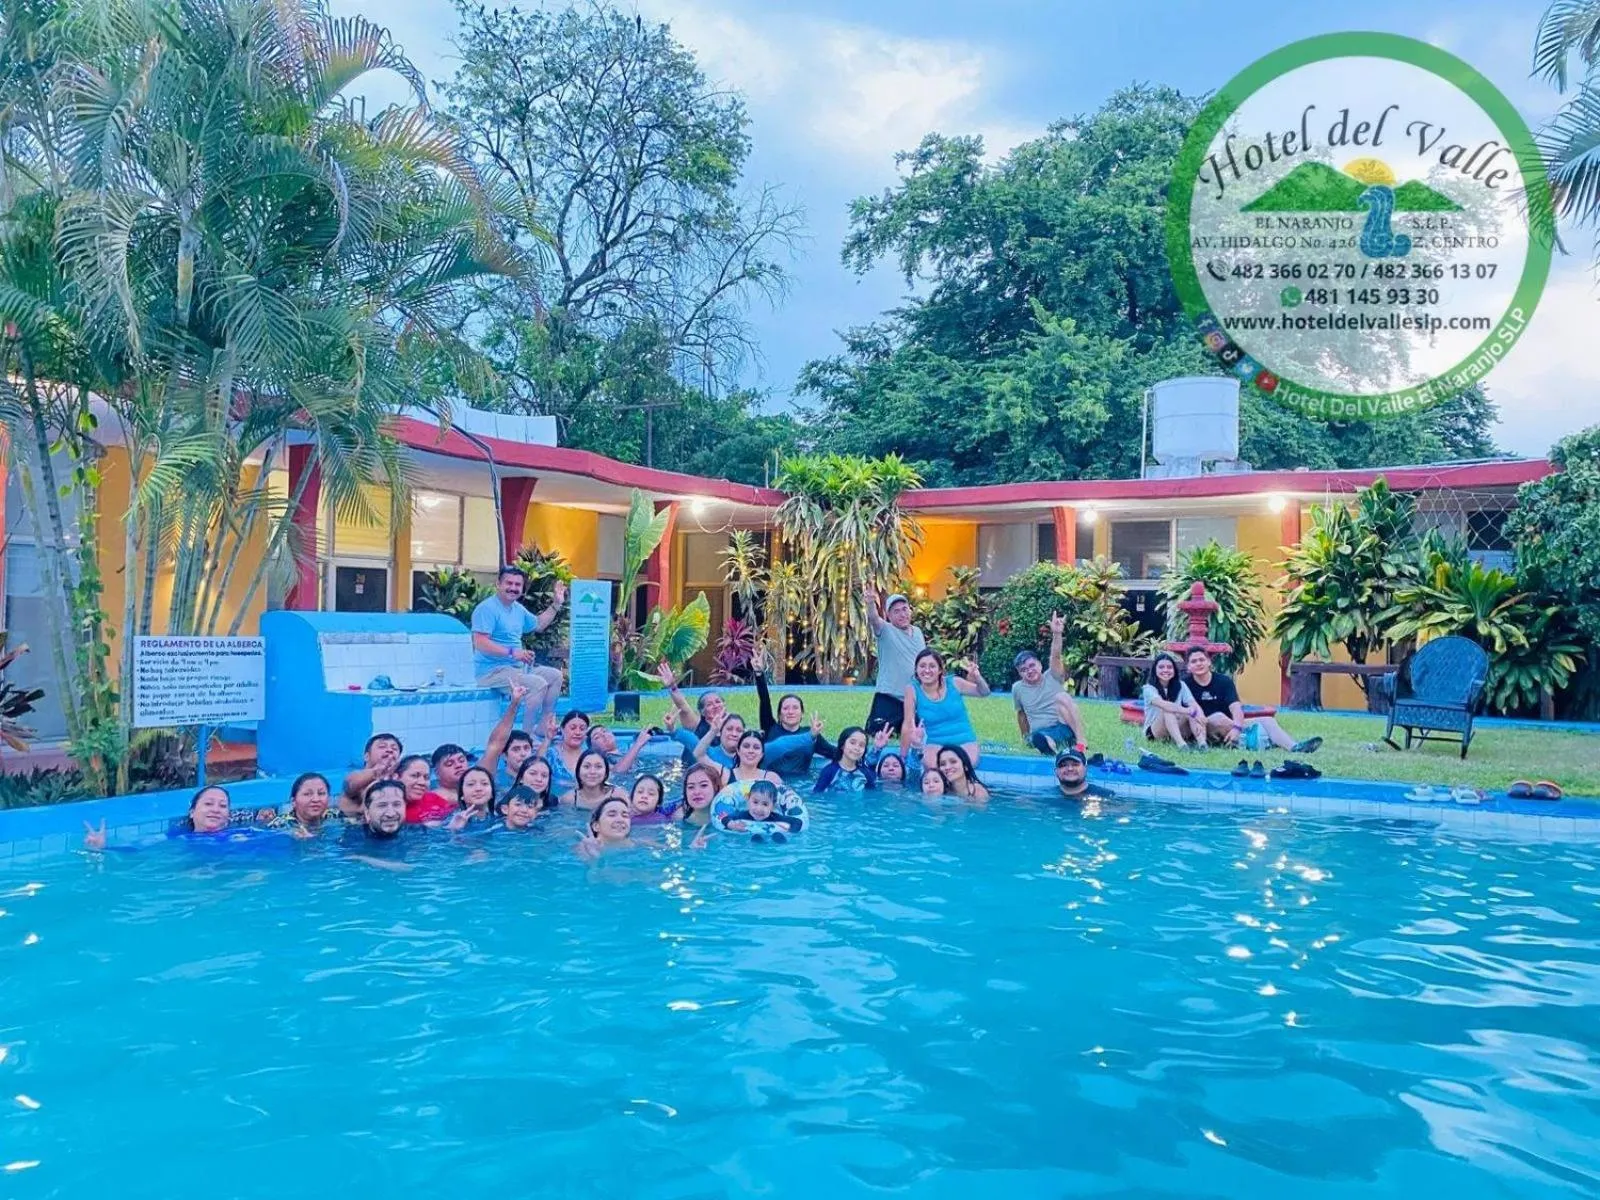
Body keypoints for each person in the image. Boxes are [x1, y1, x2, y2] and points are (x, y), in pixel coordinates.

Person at [471, 566, 567, 725]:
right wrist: (513, 653)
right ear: (498, 584)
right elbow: (480, 643)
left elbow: (539, 624)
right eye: (509, 583)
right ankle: (526, 737)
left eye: (517, 585)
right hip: (491, 672)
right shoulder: (487, 609)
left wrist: (556, 604)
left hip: (517, 669)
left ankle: (543, 727)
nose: (513, 588)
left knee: (555, 676)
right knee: (538, 684)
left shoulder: (518, 610)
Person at [1184, 647, 1321, 753]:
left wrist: (1237, 728)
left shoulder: (1224, 681)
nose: (1198, 664)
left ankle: (1294, 747)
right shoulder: (1184, 685)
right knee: (1217, 717)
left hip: (1228, 723)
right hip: (1202, 726)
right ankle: (1262, 740)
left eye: (1202, 660)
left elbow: (1236, 708)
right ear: (1188, 667)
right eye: (1194, 661)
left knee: (1268, 720)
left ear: (1209, 662)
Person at [751, 644, 834, 775]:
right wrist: (759, 673)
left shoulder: (811, 733)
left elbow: (835, 753)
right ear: (779, 714)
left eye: (795, 708)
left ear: (802, 714)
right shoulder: (770, 728)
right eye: (785, 708)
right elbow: (764, 700)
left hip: (801, 786)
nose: (790, 711)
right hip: (772, 782)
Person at [1012, 612, 1085, 755]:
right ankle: (1049, 748)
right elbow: (1021, 715)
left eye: (1032, 666)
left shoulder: (1052, 675)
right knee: (1042, 738)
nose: (1029, 671)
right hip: (1040, 732)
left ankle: (1080, 741)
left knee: (1063, 698)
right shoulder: (1017, 688)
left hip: (1062, 726)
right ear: (1020, 673)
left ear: (1040, 664)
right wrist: (1025, 737)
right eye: (1023, 670)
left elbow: (1056, 655)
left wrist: (1057, 634)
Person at [903, 649, 990, 770]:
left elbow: (984, 692)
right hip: (935, 742)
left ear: (940, 670)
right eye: (922, 666)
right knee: (936, 772)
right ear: (916, 670)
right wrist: (902, 757)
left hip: (964, 739)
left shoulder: (954, 683)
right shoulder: (912, 690)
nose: (927, 670)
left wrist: (977, 677)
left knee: (962, 769)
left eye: (932, 666)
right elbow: (907, 725)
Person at [864, 585, 927, 736]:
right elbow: (873, 618)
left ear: (910, 611)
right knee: (878, 734)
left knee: (922, 734)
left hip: (913, 701)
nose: (902, 614)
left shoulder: (918, 632)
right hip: (888, 698)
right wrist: (871, 603)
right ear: (889, 616)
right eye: (896, 611)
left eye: (905, 609)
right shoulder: (885, 630)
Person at [1142, 651, 1206, 749]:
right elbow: (1164, 705)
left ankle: (1202, 744)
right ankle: (1182, 745)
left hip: (1175, 727)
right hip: (1154, 732)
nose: (1166, 670)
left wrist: (1199, 716)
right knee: (1167, 710)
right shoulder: (1148, 688)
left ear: (1174, 670)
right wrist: (1187, 711)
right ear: (1155, 670)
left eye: (1169, 667)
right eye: (1161, 667)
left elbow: (1193, 703)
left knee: (1192, 711)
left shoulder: (1181, 685)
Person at [340, 733, 401, 818]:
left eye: (394, 748)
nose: (390, 750)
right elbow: (349, 784)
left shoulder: (398, 780)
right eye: (382, 747)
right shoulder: (356, 780)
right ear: (366, 756)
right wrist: (376, 772)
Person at [261, 772, 333, 838]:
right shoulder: (279, 826)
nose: (316, 799)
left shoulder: (335, 817)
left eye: (321, 793)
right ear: (293, 802)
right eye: (307, 794)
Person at [412, 743, 469, 824]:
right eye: (449, 764)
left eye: (461, 761)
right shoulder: (430, 799)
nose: (458, 765)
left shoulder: (477, 787)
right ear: (436, 772)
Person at [813, 726, 876, 794]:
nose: (857, 748)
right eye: (852, 743)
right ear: (842, 745)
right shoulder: (829, 771)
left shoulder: (866, 774)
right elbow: (817, 794)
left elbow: (872, 796)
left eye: (861, 745)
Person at [561, 748, 628, 810]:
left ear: (606, 773)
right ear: (578, 772)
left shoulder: (618, 796)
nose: (592, 772)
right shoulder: (569, 799)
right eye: (586, 766)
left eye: (598, 767)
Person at [576, 795, 638, 861]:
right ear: (596, 826)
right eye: (612, 815)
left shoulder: (641, 846)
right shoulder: (585, 849)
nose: (620, 820)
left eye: (625, 816)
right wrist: (593, 860)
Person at [546, 710, 592, 793]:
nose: (577, 732)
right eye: (573, 728)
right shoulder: (551, 754)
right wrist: (548, 738)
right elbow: (535, 766)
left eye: (582, 729)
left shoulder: (591, 757)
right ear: (562, 729)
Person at [667, 763, 721, 833]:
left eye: (703, 785)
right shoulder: (680, 816)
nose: (696, 792)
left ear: (716, 788)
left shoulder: (727, 812)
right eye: (691, 787)